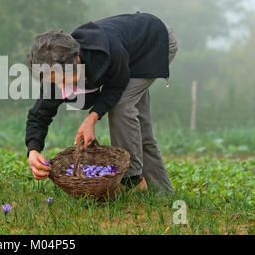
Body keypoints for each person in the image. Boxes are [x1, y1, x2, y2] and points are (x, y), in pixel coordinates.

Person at [25, 11, 178, 193]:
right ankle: (162, 191)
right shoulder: (55, 71)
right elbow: (39, 114)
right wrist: (33, 150)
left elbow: (117, 85)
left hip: (154, 42)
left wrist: (92, 118)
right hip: (129, 53)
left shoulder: (103, 53)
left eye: (63, 80)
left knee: (121, 106)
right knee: (138, 128)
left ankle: (132, 181)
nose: (59, 86)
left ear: (77, 60)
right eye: (54, 81)